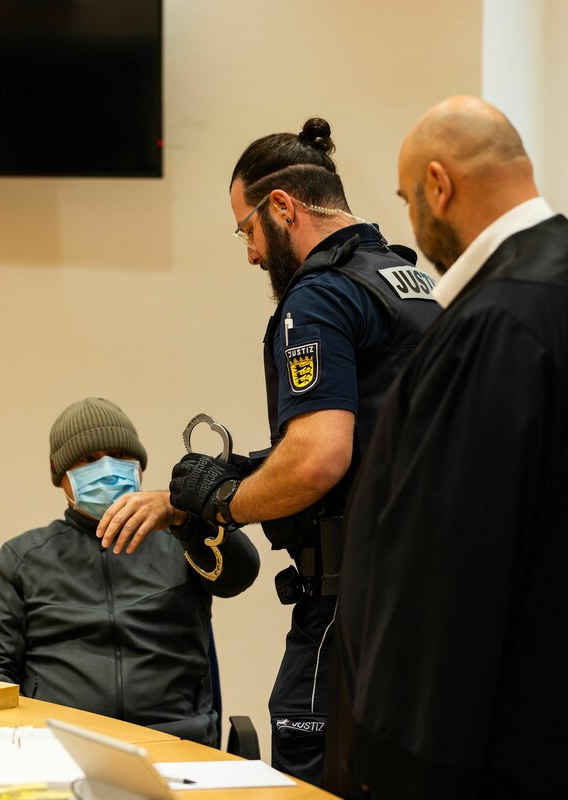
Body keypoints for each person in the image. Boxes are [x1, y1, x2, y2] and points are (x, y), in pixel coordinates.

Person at [324, 96, 568, 798]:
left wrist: (393, 768)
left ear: (438, 185)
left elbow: (446, 571)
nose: (413, 225)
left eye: (408, 202)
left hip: (487, 757)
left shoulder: (501, 319)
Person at [105, 118, 441, 783]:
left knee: (308, 770)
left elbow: (318, 460)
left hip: (351, 606)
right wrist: (225, 477)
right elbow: (369, 445)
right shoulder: (410, 282)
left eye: (247, 231)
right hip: (429, 598)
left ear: (282, 207)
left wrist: (225, 502)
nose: (252, 254)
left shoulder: (318, 296)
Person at [0, 397, 259, 746]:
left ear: (139, 466)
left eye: (120, 455)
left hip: (175, 743)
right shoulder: (22, 558)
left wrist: (183, 515)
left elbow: (241, 574)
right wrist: (18, 741)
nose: (107, 467)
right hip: (60, 747)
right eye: (89, 459)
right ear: (61, 475)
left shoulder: (181, 539)